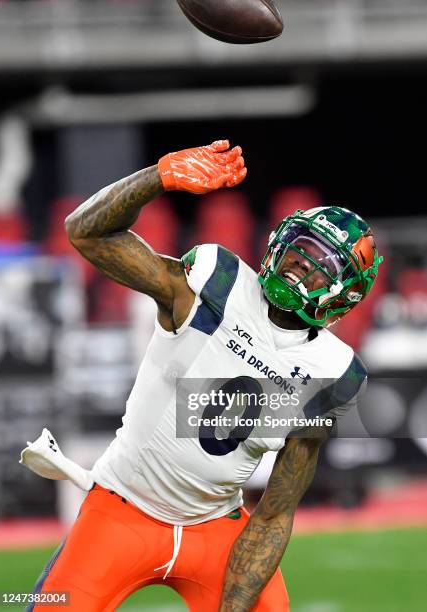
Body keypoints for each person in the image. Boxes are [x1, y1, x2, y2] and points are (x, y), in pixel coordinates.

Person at [29, 140, 382, 611]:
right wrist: (156, 178)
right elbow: (86, 234)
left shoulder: (333, 373)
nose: (302, 262)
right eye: (301, 249)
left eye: (322, 264)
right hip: (120, 509)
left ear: (344, 296)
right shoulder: (218, 283)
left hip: (216, 528)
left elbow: (275, 513)